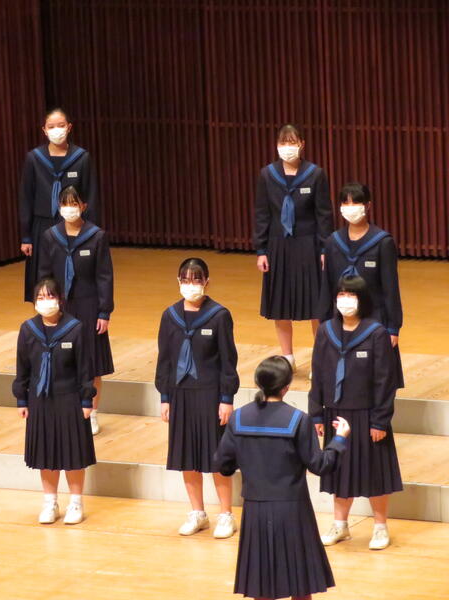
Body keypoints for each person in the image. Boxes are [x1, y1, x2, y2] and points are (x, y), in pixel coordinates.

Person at [214, 356, 351, 600]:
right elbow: (320, 465)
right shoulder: (298, 420)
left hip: (255, 510)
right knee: (300, 585)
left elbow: (222, 465)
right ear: (286, 387)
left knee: (261, 584)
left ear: (259, 383)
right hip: (292, 510)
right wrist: (339, 440)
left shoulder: (239, 418)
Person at [309, 275, 402, 551]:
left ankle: (380, 527)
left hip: (368, 415)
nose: (345, 300)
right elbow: (318, 374)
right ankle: (340, 525)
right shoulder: (325, 331)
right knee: (339, 470)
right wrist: (316, 414)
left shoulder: (375, 333)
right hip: (336, 413)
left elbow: (385, 381)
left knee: (375, 472)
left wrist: (380, 420)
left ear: (362, 299)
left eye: (351, 295)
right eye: (341, 295)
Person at [155, 257, 239, 538]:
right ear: (178, 282)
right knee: (187, 456)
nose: (191, 285)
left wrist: (226, 398)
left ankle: (226, 515)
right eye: (186, 280)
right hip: (180, 394)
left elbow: (228, 360)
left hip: (210, 394)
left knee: (216, 456)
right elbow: (165, 359)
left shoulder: (219, 315)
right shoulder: (170, 316)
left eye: (196, 279)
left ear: (206, 282)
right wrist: (165, 397)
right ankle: (197, 513)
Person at [13, 277, 96, 525]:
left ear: (60, 299)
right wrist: (22, 399)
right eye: (40, 297)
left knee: (73, 452)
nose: (46, 302)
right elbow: (22, 368)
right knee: (46, 451)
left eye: (50, 296)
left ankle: (76, 502)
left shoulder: (75, 328)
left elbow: (85, 369)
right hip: (40, 400)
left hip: (70, 398)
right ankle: (50, 502)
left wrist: (86, 400)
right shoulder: (28, 330)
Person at [254, 124, 332, 370]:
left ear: (301, 144)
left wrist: (325, 249)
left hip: (309, 245)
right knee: (280, 304)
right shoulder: (267, 175)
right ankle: (287, 357)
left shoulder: (315, 174)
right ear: (277, 146)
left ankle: (319, 359)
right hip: (278, 246)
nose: (287, 147)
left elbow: (324, 215)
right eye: (283, 143)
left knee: (316, 305)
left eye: (292, 142)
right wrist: (261, 250)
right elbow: (262, 214)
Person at [38, 185, 113, 435]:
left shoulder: (96, 236)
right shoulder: (50, 236)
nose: (69, 208)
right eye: (64, 204)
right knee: (62, 359)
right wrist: (46, 305)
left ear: (83, 206)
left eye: (74, 203)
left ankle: (93, 413)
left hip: (89, 304)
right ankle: (66, 410)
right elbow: (45, 274)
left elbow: (104, 277)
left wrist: (104, 312)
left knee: (92, 362)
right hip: (60, 306)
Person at [319, 182, 404, 388]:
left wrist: (393, 328)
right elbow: (327, 287)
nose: (350, 208)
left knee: (376, 378)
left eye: (355, 203)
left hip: (374, 318)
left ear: (367, 206)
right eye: (345, 203)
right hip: (342, 319)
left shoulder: (382, 242)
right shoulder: (333, 242)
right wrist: (324, 324)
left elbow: (390, 288)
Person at [19, 107, 98, 302]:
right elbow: (26, 197)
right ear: (44, 130)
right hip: (42, 225)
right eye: (51, 126)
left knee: (73, 275)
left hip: (73, 225)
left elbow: (91, 196)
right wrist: (26, 236)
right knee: (43, 279)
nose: (57, 130)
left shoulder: (81, 158)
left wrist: (92, 232)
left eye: (61, 125)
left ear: (69, 127)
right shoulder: (34, 158)